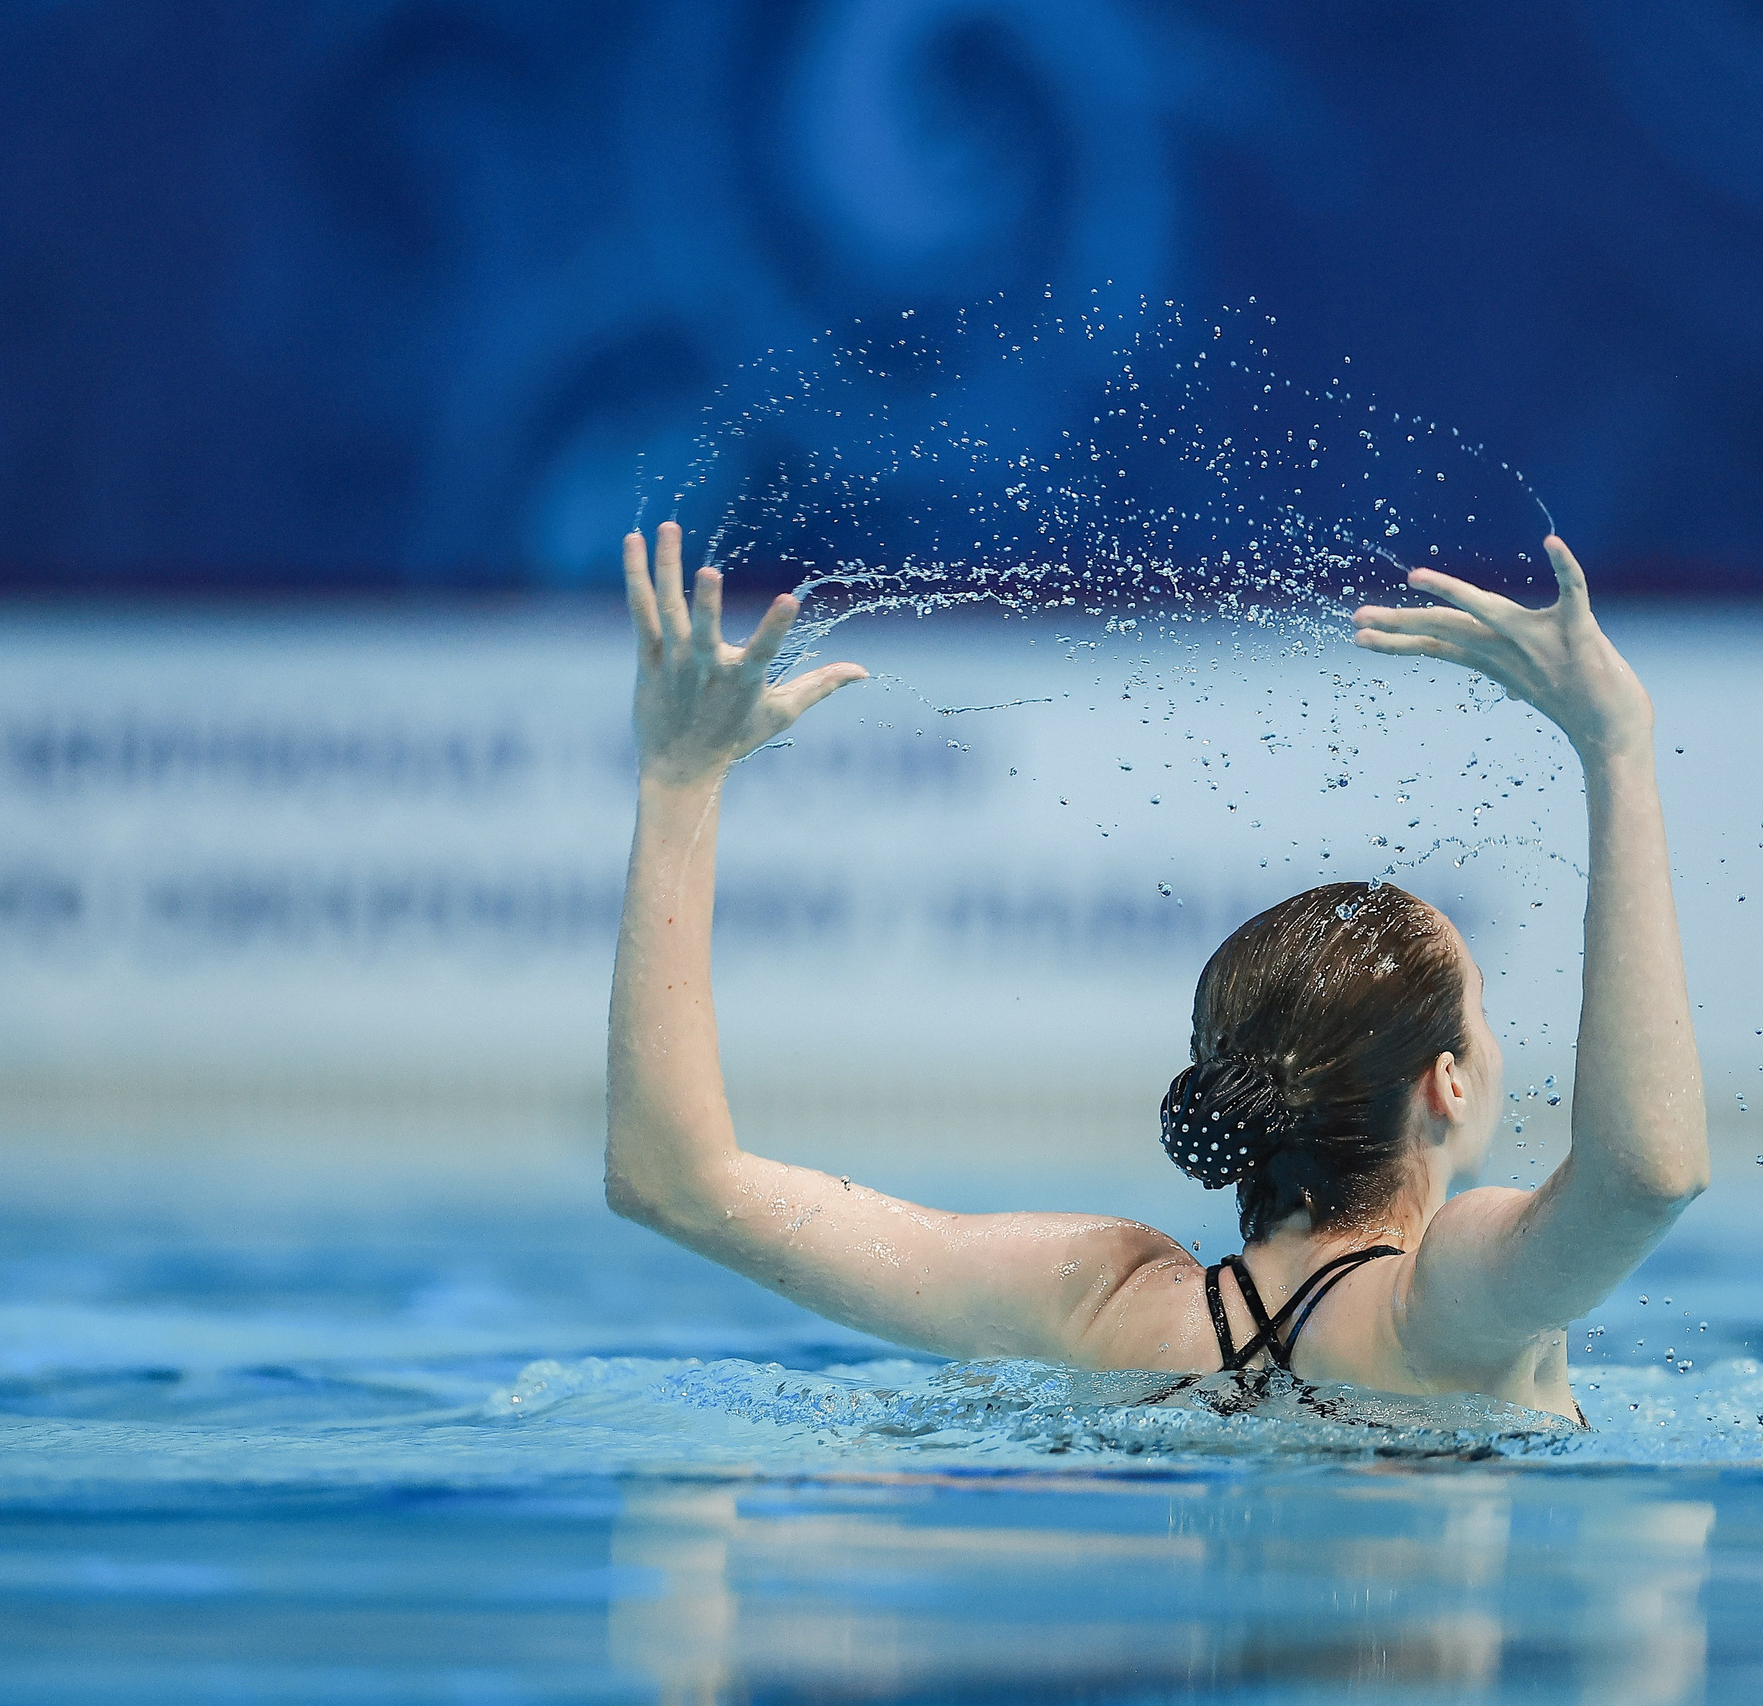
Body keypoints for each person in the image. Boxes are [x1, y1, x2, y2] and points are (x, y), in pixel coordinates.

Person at [605, 522, 1706, 1420]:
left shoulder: (1103, 1296)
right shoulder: (1449, 1304)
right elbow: (1643, 1173)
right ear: (1447, 1080)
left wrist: (678, 779)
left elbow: (675, 1182)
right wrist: (1616, 748)